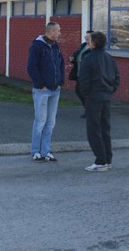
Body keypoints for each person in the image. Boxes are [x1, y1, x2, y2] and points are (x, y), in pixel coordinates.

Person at [77, 31, 120, 172]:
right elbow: (117, 78)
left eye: (89, 40)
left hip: (94, 97)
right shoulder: (110, 58)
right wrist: (110, 90)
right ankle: (107, 160)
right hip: (106, 96)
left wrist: (86, 95)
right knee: (105, 129)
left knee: (94, 130)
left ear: (93, 43)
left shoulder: (88, 59)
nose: (87, 41)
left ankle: (100, 161)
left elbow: (83, 81)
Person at [27, 22, 64, 162]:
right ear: (51, 31)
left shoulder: (55, 46)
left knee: (50, 122)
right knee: (40, 121)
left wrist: (60, 82)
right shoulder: (37, 46)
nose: (60, 33)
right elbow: (31, 67)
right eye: (58, 31)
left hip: (55, 90)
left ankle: (46, 151)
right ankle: (36, 151)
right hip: (42, 90)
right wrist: (39, 84)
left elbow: (61, 64)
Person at [68, 30, 93, 117]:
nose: (86, 38)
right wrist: (72, 58)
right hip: (79, 73)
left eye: (88, 37)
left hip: (87, 75)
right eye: (86, 36)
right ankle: (88, 109)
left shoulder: (93, 49)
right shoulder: (83, 46)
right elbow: (76, 55)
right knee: (78, 91)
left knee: (85, 92)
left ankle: (90, 110)